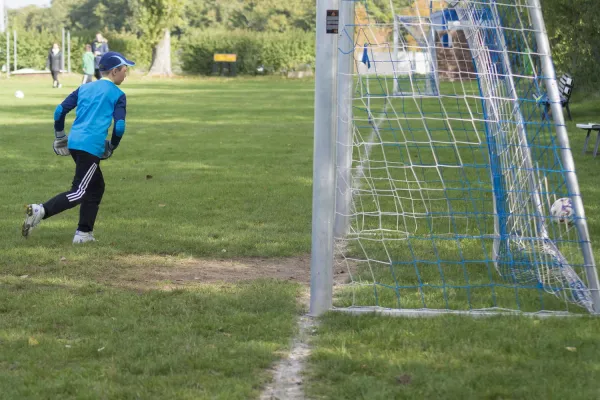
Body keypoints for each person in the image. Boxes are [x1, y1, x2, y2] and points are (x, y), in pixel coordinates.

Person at [22, 51, 135, 244]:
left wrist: (60, 136)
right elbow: (120, 126)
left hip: (74, 143)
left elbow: (59, 111)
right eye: (125, 70)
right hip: (91, 147)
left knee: (96, 187)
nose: (126, 74)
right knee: (80, 191)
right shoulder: (118, 95)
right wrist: (112, 146)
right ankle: (40, 210)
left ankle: (83, 234)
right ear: (115, 71)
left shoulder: (84, 87)